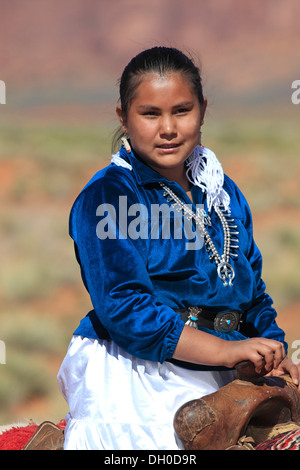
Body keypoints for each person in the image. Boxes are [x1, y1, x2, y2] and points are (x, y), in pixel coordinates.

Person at [57, 46, 300, 450]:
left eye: (182, 111)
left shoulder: (222, 192)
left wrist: (274, 351)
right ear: (123, 117)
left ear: (203, 110)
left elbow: (251, 289)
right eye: (150, 114)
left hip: (223, 361)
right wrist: (226, 351)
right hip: (139, 369)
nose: (167, 128)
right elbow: (124, 309)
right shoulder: (109, 197)